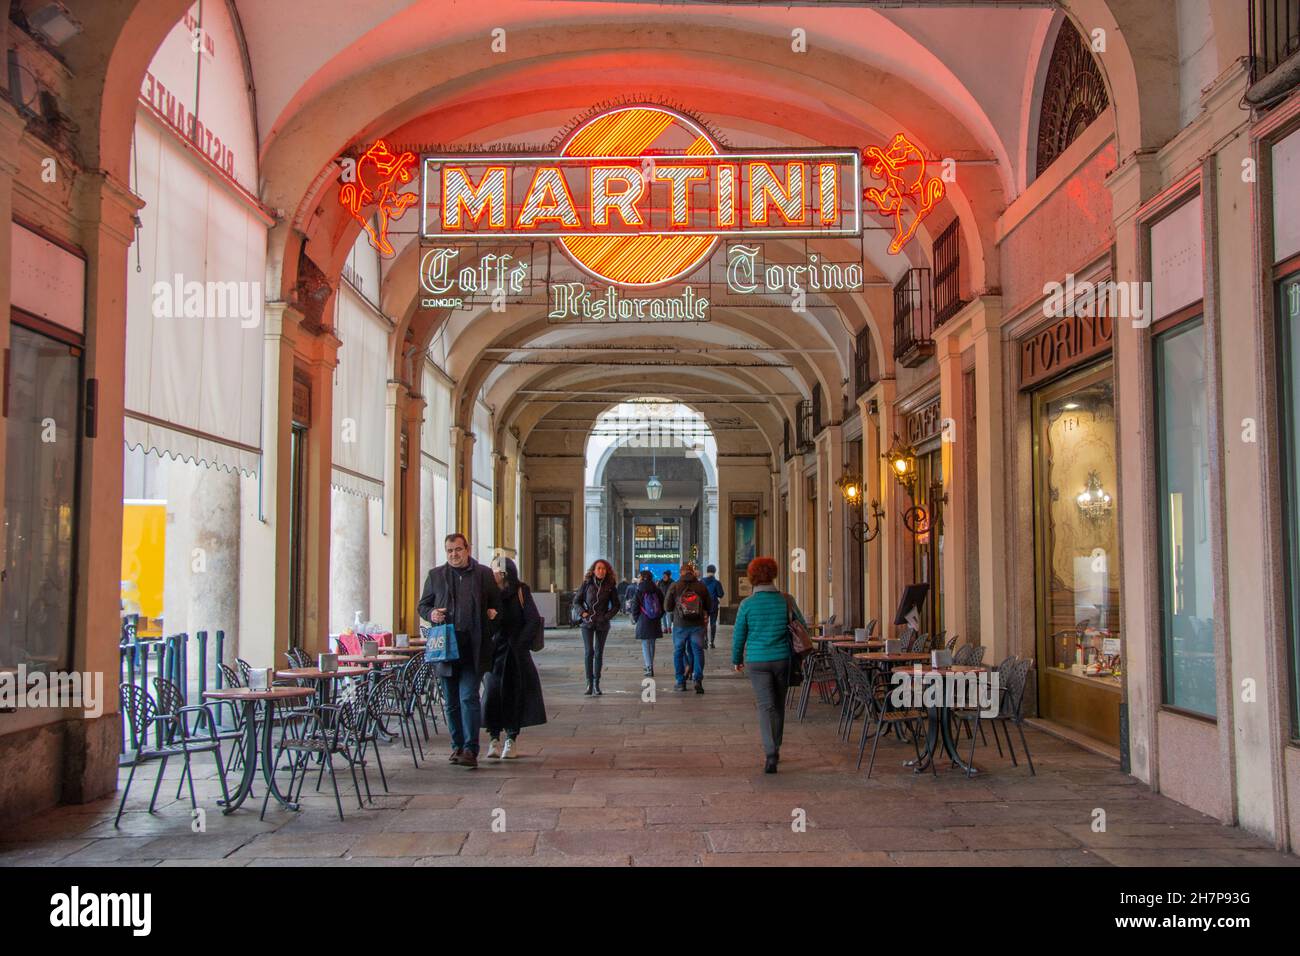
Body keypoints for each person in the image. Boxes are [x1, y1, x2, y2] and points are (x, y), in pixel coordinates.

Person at [417, 533, 501, 769]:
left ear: (468, 549)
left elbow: (497, 605)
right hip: (445, 648)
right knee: (451, 701)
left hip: (473, 647)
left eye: (458, 549)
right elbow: (423, 605)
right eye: (449, 550)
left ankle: (470, 749)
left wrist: (490, 622)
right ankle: (457, 745)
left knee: (468, 697)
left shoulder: (483, 574)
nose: (454, 554)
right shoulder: (436, 575)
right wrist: (431, 614)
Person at [732, 556, 806, 774]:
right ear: (773, 574)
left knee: (766, 706)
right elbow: (801, 627)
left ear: (752, 577)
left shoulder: (747, 604)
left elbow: (739, 635)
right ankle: (777, 745)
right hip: (782, 659)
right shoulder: (786, 600)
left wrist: (737, 659)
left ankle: (770, 752)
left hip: (757, 661)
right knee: (779, 705)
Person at [483, 557, 548, 759]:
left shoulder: (521, 591)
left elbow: (532, 620)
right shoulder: (487, 593)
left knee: (514, 695)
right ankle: (493, 739)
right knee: (491, 695)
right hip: (494, 653)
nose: (490, 573)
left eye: (493, 569)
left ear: (503, 573)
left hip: (515, 655)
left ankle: (511, 739)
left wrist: (519, 644)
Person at [573, 558, 620, 695]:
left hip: (602, 623)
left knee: (599, 652)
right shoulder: (586, 584)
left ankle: (597, 684)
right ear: (593, 570)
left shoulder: (611, 585)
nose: (601, 571)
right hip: (587, 623)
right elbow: (576, 602)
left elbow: (616, 605)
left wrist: (606, 617)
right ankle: (589, 683)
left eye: (604, 569)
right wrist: (583, 613)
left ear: (607, 571)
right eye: (599, 568)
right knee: (589, 652)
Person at [664, 562, 713, 694]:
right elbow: (709, 605)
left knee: (678, 652)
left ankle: (680, 682)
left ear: (681, 573)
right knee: (698, 651)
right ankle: (697, 680)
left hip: (680, 625)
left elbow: (667, 607)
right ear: (692, 572)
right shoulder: (701, 586)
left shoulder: (675, 586)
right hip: (697, 625)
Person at [629, 569, 665, 677]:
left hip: (643, 619)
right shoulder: (657, 589)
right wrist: (659, 616)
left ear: (643, 577)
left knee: (645, 644)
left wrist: (636, 618)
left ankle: (648, 667)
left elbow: (635, 606)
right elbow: (663, 605)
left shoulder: (639, 590)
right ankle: (650, 665)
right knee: (652, 644)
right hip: (654, 620)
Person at [702, 564, 725, 649]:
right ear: (714, 572)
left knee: (704, 624)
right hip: (713, 605)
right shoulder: (716, 582)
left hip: (704, 606)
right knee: (713, 624)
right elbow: (720, 594)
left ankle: (705, 641)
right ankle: (712, 642)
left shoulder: (702, 581)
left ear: (707, 571)